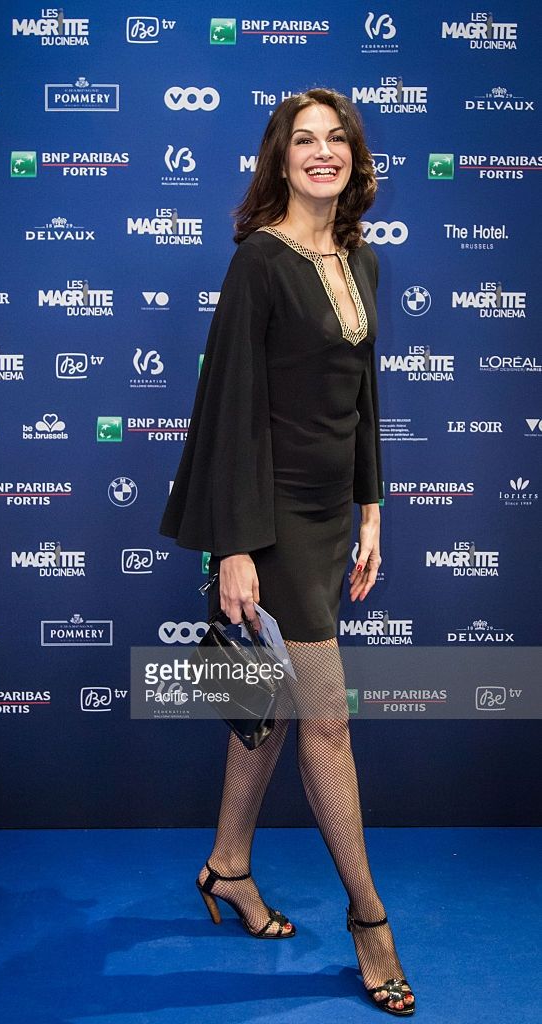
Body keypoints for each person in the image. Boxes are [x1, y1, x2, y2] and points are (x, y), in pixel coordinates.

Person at [159, 87, 415, 1017]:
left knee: (260, 705)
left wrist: (371, 507)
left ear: (354, 157)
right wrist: (234, 547)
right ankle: (369, 920)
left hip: (328, 515)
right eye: (303, 140)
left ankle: (228, 866)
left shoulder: (361, 259)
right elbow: (228, 408)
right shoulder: (258, 263)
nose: (321, 152)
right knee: (325, 721)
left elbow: (364, 394)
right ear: (280, 158)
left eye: (335, 139)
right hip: (267, 523)